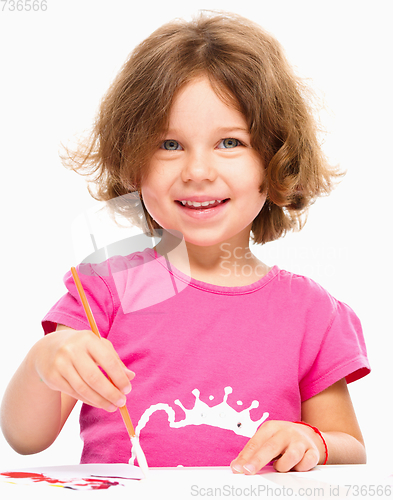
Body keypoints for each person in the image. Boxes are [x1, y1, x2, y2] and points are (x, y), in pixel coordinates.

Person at [0, 11, 370, 474]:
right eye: (170, 145)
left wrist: (312, 440)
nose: (197, 171)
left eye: (230, 142)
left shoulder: (311, 311)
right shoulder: (108, 289)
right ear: (132, 161)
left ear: (276, 158)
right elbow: (24, 438)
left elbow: (351, 449)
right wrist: (43, 361)